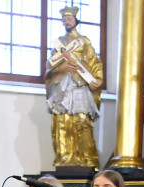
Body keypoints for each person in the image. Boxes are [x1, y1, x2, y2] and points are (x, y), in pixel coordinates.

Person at [45, 6, 103, 168]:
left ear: (75, 20)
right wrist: (62, 69)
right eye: (64, 19)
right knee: (62, 121)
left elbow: (94, 62)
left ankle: (87, 159)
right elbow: (50, 67)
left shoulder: (84, 42)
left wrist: (97, 79)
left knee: (82, 120)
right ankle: (64, 159)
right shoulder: (59, 44)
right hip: (63, 87)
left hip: (80, 85)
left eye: (69, 19)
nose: (66, 22)